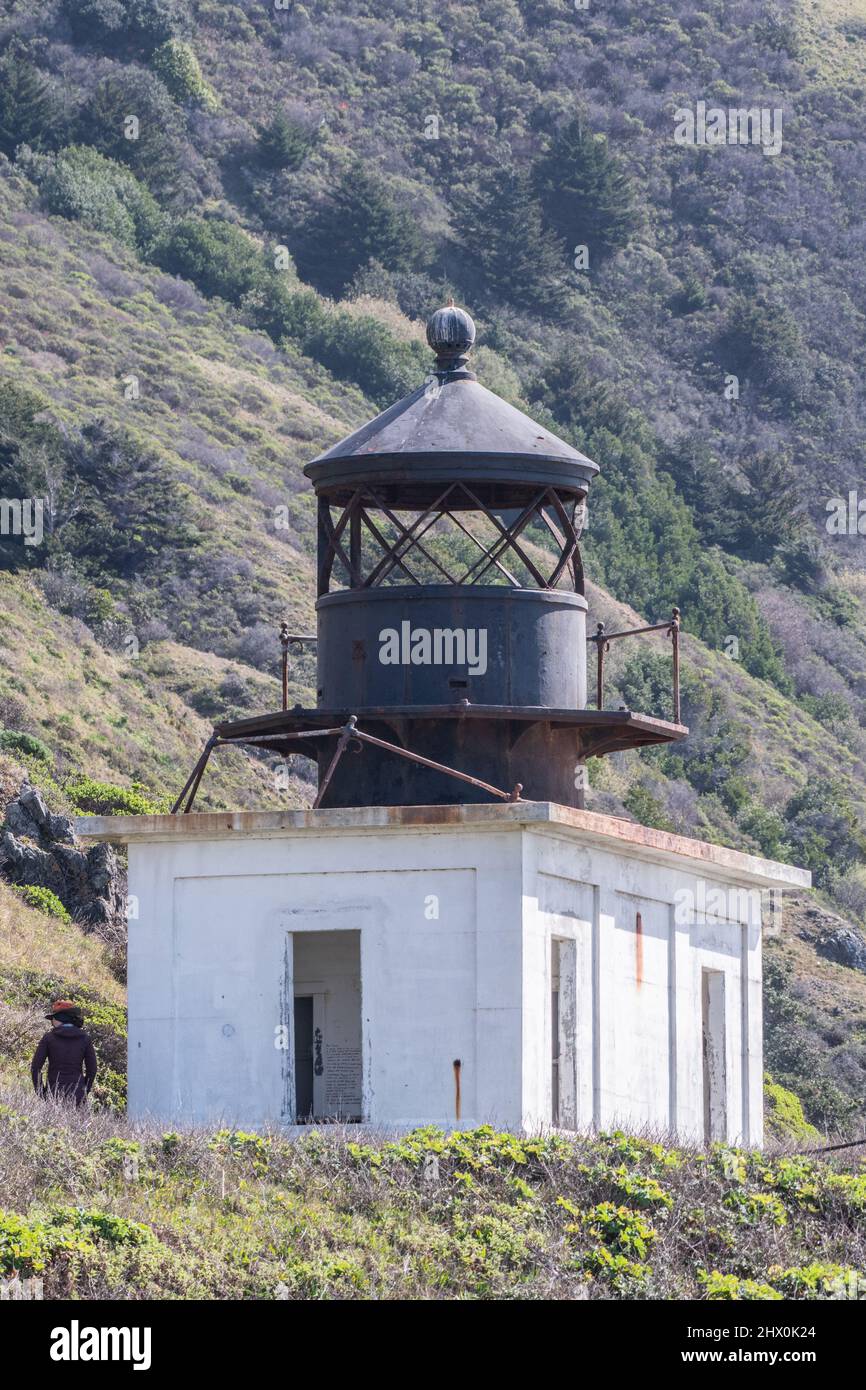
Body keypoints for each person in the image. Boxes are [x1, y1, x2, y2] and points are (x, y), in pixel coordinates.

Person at [30, 1000, 97, 1106]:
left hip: (53, 1093)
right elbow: (92, 1069)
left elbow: (35, 1067)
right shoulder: (85, 1038)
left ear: (59, 1019)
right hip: (77, 1094)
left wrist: (41, 1092)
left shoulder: (49, 1038)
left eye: (53, 1018)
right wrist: (84, 1090)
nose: (52, 1021)